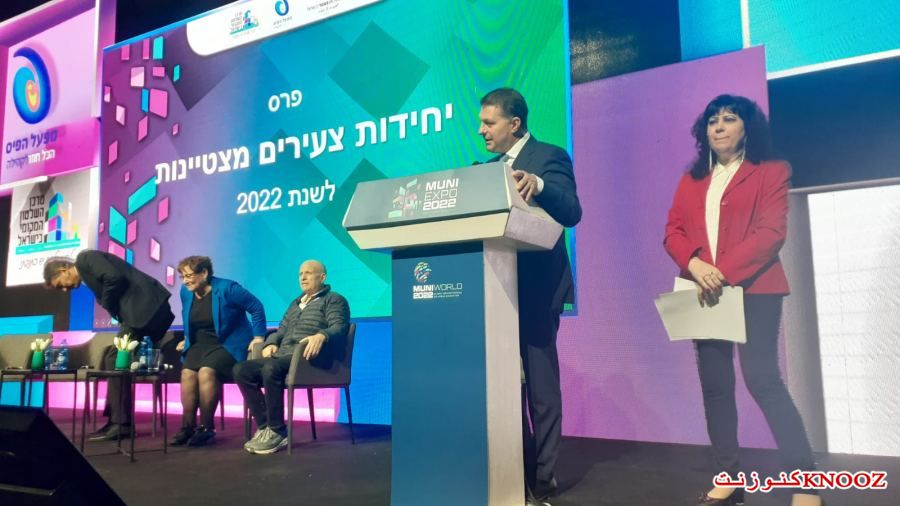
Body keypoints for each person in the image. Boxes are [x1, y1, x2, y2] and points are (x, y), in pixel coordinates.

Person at [664, 95, 821, 506]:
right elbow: (673, 231)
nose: (718, 127)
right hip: (703, 290)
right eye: (712, 121)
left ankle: (806, 483)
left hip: (755, 290)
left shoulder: (772, 171)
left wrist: (720, 272)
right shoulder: (692, 179)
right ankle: (728, 478)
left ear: (746, 127)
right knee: (716, 388)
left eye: (729, 119)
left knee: (763, 381)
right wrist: (695, 264)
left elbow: (771, 233)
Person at [478, 87, 582, 503]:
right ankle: (514, 471)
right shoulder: (486, 170)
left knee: (540, 388)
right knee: (504, 389)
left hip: (537, 289)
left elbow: (572, 212)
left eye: (489, 123)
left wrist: (538, 184)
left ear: (515, 123)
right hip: (494, 290)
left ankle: (543, 478)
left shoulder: (549, 157)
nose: (481, 130)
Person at [44, 250, 175, 441]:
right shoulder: (86, 273)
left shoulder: (85, 258)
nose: (64, 290)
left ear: (63, 270)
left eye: (60, 285)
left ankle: (122, 424)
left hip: (147, 309)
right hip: (143, 313)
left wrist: (107, 303)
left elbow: (114, 277)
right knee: (113, 360)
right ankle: (116, 420)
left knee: (114, 358)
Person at [233, 259, 350, 455]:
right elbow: (281, 330)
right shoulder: (295, 303)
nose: (303, 277)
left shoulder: (334, 299)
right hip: (284, 355)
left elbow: (340, 326)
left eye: (308, 273)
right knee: (241, 370)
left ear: (322, 277)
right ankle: (265, 427)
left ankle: (278, 431)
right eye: (300, 274)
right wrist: (271, 342)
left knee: (271, 368)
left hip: (308, 357)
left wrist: (321, 335)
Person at [170, 256, 267, 447]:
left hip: (228, 344)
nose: (185, 281)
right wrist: (187, 339)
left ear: (204, 273)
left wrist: (258, 337)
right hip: (200, 344)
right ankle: (187, 427)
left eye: (189, 276)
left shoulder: (227, 288)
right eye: (183, 277)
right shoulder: (186, 292)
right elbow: (190, 320)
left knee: (206, 371)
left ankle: (207, 428)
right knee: (187, 374)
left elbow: (256, 307)